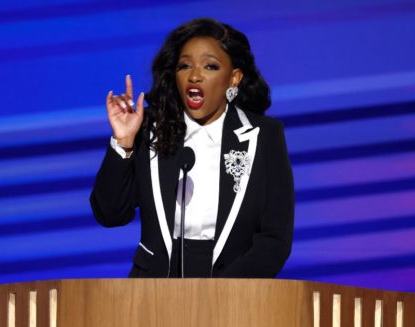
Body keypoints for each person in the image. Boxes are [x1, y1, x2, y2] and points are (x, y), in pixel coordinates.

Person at [90, 18, 294, 278]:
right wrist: (124, 141)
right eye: (184, 65)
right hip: (154, 295)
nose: (194, 75)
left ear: (234, 78)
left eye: (210, 66)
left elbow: (275, 239)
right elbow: (110, 214)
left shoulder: (263, 135)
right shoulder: (151, 129)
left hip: (232, 294)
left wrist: (224, 293)